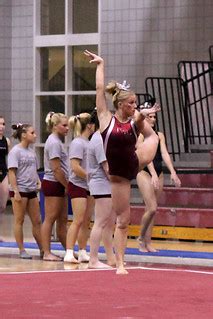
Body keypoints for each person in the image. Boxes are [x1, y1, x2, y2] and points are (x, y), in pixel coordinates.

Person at [84, 50, 160, 274]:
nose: (134, 106)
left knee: (154, 136)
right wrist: (101, 65)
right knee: (123, 220)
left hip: (135, 162)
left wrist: (143, 113)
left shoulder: (135, 120)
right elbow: (99, 90)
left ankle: (120, 262)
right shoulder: (106, 118)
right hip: (119, 175)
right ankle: (119, 263)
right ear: (119, 103)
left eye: (136, 103)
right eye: (131, 103)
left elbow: (140, 118)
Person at [136, 112, 181, 252]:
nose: (153, 119)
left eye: (155, 117)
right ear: (144, 118)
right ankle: (140, 238)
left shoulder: (159, 135)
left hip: (159, 172)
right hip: (144, 172)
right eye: (150, 116)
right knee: (152, 207)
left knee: (152, 210)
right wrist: (153, 174)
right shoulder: (141, 135)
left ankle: (147, 242)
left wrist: (173, 172)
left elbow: (164, 153)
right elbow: (143, 155)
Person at [8, 123, 42, 259]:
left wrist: (38, 181)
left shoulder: (32, 152)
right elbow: (12, 172)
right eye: (32, 133)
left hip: (31, 190)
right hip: (20, 190)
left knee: (37, 220)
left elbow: (34, 170)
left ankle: (43, 249)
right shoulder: (15, 152)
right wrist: (15, 191)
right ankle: (22, 249)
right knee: (19, 220)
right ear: (23, 135)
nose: (35, 135)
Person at [64, 113, 95, 263]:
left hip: (88, 185)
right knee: (78, 220)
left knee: (86, 221)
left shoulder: (89, 143)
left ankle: (82, 250)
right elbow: (75, 167)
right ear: (89, 125)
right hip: (78, 184)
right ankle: (69, 252)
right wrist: (90, 177)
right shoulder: (77, 143)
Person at [87, 109, 116, 269]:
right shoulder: (98, 139)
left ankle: (110, 257)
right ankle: (93, 258)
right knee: (100, 222)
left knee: (109, 223)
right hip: (101, 183)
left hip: (106, 183)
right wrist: (118, 182)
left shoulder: (103, 138)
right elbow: (106, 167)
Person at [41, 112, 69, 261]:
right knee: (50, 218)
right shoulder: (53, 142)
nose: (67, 128)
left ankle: (68, 251)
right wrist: (67, 185)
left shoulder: (57, 141)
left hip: (59, 183)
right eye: (64, 125)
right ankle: (46, 252)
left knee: (62, 220)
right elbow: (56, 169)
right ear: (54, 126)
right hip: (53, 182)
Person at [0, 116, 10, 216]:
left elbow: (9, 157)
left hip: (3, 172)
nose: (1, 127)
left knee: (3, 205)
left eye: (3, 124)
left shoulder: (6, 141)